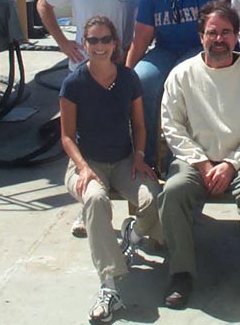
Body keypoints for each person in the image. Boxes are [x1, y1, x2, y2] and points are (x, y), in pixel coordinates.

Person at [37, 0, 150, 238]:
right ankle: (88, 205)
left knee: (126, 131)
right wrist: (62, 41)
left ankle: (134, 189)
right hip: (84, 70)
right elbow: (44, 4)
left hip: (122, 68)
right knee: (82, 137)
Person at [158, 0, 240, 311]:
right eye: (212, 32)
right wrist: (204, 163)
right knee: (173, 190)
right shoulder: (181, 75)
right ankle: (181, 273)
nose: (219, 39)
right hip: (194, 161)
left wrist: (231, 164)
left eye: (226, 32)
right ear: (201, 36)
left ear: (236, 37)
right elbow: (171, 126)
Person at [60, 16, 162, 323]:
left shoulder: (129, 78)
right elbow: (66, 135)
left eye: (106, 40)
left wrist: (140, 156)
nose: (100, 46)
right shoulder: (74, 83)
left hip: (122, 161)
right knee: (94, 200)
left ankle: (131, 238)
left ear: (115, 43)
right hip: (86, 162)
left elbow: (140, 125)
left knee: (151, 198)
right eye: (93, 40)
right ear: (85, 43)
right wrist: (81, 168)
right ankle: (109, 285)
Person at [126, 0, 221, 167]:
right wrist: (126, 73)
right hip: (165, 49)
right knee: (143, 79)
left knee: (182, 81)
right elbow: (142, 37)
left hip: (196, 50)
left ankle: (183, 159)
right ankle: (146, 157)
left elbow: (217, 29)